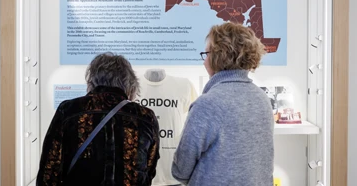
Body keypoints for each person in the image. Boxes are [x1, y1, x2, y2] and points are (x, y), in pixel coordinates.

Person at [172, 22, 274, 186]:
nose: (204, 61)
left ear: (218, 56)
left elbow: (181, 170)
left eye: (206, 54)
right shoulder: (262, 99)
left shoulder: (207, 104)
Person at [37, 52, 160, 186]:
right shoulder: (145, 117)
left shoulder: (69, 110)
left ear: (91, 80)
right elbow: (149, 170)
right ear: (130, 84)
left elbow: (49, 170)